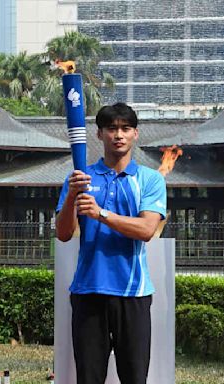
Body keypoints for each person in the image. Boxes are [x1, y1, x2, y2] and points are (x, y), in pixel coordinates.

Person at [55, 102, 167, 384]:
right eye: (111, 128)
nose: (118, 135)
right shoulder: (80, 179)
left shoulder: (149, 179)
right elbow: (64, 233)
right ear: (99, 134)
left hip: (133, 293)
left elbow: (146, 229)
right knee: (89, 377)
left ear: (135, 134)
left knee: (134, 376)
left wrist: (101, 214)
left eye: (125, 129)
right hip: (88, 290)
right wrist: (72, 197)